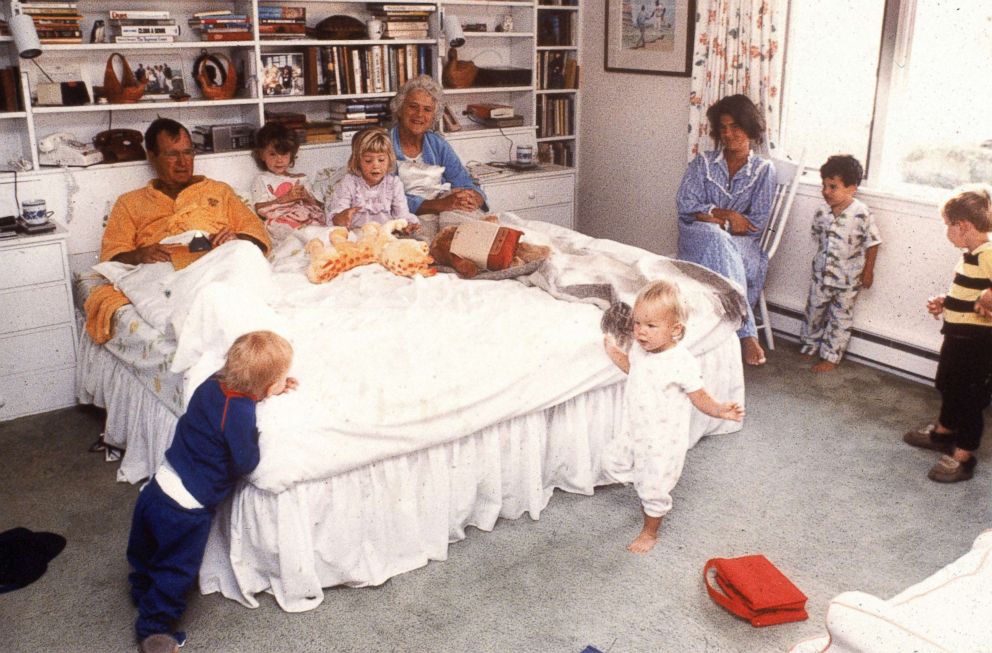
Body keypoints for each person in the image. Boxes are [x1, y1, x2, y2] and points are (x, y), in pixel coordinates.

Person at [127, 331, 298, 646]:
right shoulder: (240, 413)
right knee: (176, 569)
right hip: (187, 508)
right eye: (280, 379)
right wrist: (256, 434)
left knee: (146, 549)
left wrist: (268, 386)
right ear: (265, 385)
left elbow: (240, 391)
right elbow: (245, 462)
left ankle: (140, 590)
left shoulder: (211, 385)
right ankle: (153, 630)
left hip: (160, 486)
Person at [603, 280, 745, 553]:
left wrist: (719, 409)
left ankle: (650, 531)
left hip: (662, 439)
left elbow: (699, 396)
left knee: (654, 488)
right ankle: (641, 479)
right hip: (634, 427)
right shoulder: (639, 349)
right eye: (637, 324)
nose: (641, 332)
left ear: (675, 330)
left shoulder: (681, 362)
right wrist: (613, 352)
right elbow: (633, 368)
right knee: (612, 462)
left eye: (651, 326)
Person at [676, 94, 777, 366]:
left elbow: (754, 224)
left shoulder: (763, 171)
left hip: (741, 245)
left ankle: (733, 331)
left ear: (750, 128)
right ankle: (746, 333)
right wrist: (729, 215)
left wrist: (710, 216)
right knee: (712, 235)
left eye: (736, 126)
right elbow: (685, 205)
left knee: (719, 238)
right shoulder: (704, 163)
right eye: (723, 128)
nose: (729, 134)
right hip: (697, 238)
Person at [903, 185, 992, 483]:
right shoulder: (970, 255)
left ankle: (964, 456)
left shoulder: (988, 252)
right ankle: (944, 432)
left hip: (979, 341)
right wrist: (946, 301)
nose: (947, 232)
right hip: (957, 334)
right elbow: (968, 291)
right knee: (947, 382)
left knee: (969, 396)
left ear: (962, 226)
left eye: (948, 226)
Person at [100, 117, 271, 265]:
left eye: (188, 153)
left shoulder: (220, 191)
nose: (183, 162)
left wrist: (236, 239)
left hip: (219, 262)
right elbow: (111, 259)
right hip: (162, 272)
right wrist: (140, 254)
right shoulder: (129, 203)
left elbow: (259, 238)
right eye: (172, 154)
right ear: (152, 156)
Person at [800, 155, 881, 372]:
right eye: (824, 185)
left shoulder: (861, 213)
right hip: (821, 275)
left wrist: (868, 271)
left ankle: (830, 357)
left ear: (851, 188)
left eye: (833, 186)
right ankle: (810, 345)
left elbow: (873, 243)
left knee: (840, 318)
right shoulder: (821, 212)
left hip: (848, 280)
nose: (826, 191)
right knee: (814, 311)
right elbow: (817, 237)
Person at [389, 75, 487, 216]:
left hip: (441, 213)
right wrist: (439, 204)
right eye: (413, 106)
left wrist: (475, 198)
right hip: (402, 219)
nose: (419, 114)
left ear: (434, 117)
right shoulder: (382, 145)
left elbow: (463, 182)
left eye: (427, 109)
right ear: (399, 109)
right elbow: (383, 198)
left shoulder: (437, 144)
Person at [325, 126, 419, 233]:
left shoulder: (394, 183)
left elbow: (401, 215)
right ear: (357, 161)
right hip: (356, 234)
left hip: (385, 234)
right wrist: (341, 217)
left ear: (389, 160)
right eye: (368, 160)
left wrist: (406, 225)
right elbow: (339, 212)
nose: (375, 165)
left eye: (381, 159)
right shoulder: (349, 182)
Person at [251, 122, 324, 235]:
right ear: (262, 155)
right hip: (282, 220)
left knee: (319, 228)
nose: (279, 160)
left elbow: (318, 206)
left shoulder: (301, 178)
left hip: (305, 218)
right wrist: (284, 199)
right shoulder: (262, 179)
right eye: (272, 154)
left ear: (292, 155)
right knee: (290, 231)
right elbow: (259, 208)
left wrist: (307, 197)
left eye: (284, 154)